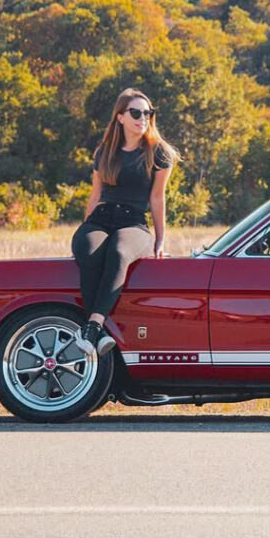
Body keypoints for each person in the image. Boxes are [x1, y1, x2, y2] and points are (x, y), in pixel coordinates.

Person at [70, 88, 177, 356]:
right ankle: (100, 335)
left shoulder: (158, 153)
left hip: (134, 223)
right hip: (101, 218)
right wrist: (86, 229)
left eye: (148, 113)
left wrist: (161, 240)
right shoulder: (105, 151)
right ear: (120, 117)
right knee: (89, 251)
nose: (143, 118)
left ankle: (92, 327)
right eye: (136, 112)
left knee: (118, 252)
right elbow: (95, 195)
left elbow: (157, 199)